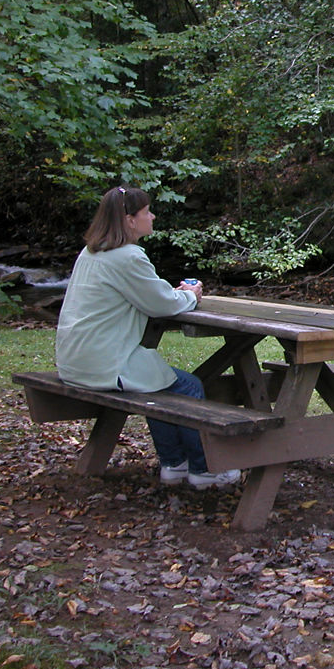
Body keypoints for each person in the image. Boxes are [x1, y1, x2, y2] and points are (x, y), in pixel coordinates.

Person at [55, 186, 240, 490]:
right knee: (187, 387)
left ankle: (174, 464)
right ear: (129, 220)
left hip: (75, 361)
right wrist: (191, 296)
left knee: (158, 382)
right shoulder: (128, 256)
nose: (152, 216)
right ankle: (205, 469)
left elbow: (147, 294)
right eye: (146, 212)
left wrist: (171, 294)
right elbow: (160, 304)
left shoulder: (92, 252)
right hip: (103, 365)